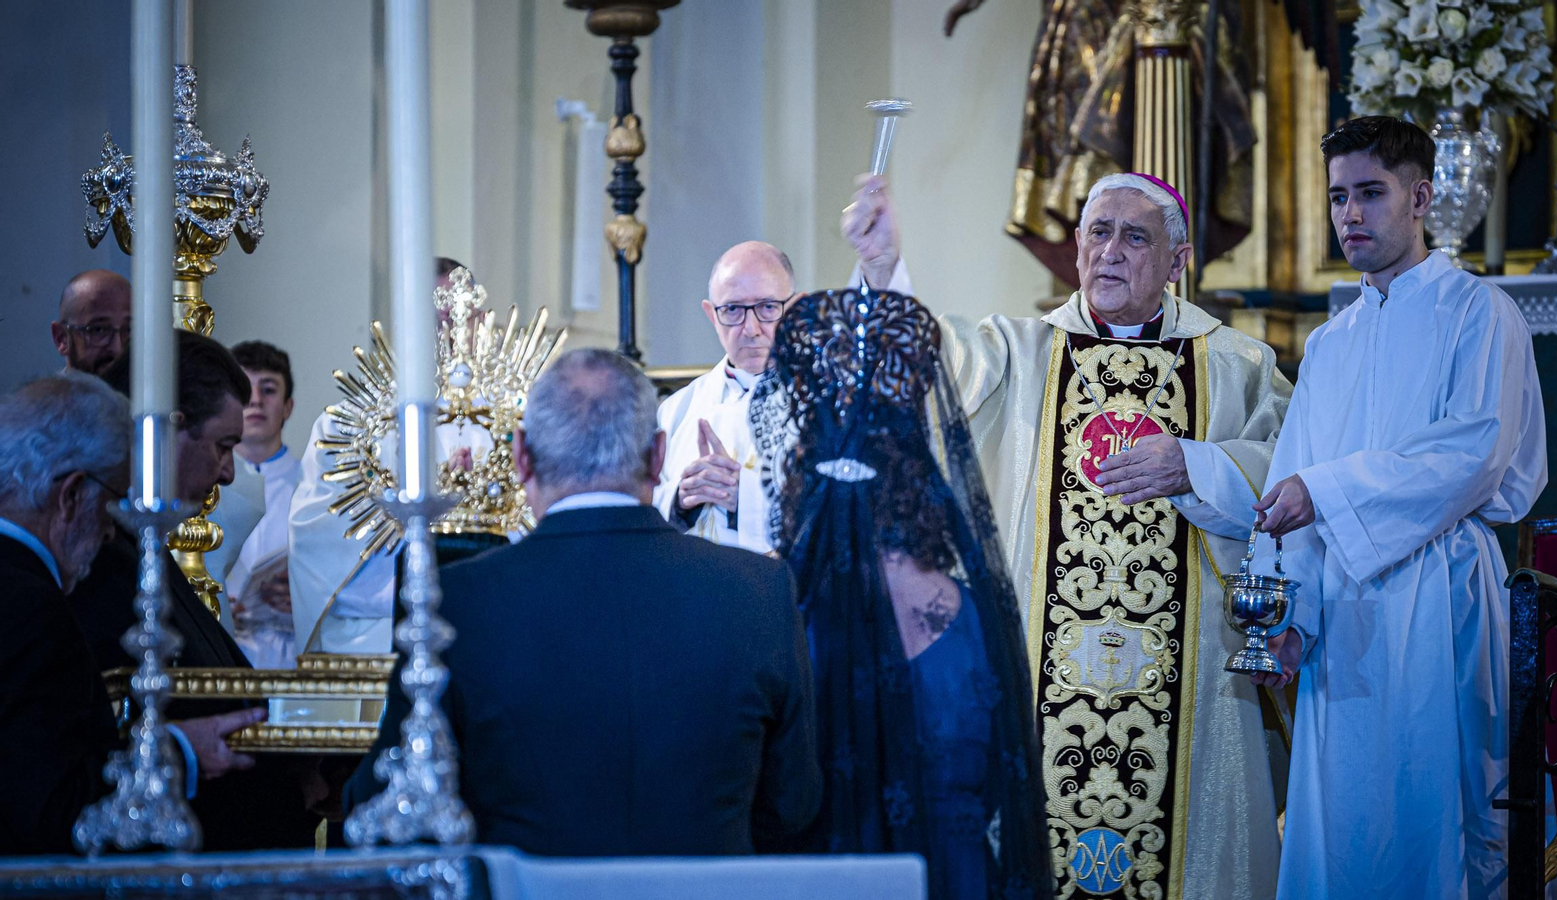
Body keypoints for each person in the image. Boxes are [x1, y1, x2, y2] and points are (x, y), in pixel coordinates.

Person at [843, 171, 1292, 898]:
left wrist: (1198, 464)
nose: (1109, 251)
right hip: (1041, 670)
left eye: (1134, 236)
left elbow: (1290, 477)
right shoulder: (1019, 353)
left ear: (1178, 262)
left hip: (1192, 680)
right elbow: (924, 370)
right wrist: (882, 266)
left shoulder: (1237, 366)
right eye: (1097, 232)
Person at [346, 349, 820, 855]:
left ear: (522, 456)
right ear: (659, 457)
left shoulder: (456, 603)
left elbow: (388, 802)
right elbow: (793, 805)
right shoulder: (759, 591)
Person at [1251, 116, 1547, 899]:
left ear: (1420, 197)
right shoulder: (1330, 343)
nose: (1350, 214)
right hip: (1342, 612)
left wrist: (1327, 491)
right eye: (1339, 196)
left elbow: (1473, 455)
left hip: (1441, 594)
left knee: (1435, 816)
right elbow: (1293, 481)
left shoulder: (1479, 314)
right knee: (1341, 825)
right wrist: (1290, 612)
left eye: (1371, 194)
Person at [751, 289, 1052, 899]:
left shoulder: (771, 609)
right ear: (918, 470)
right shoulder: (972, 614)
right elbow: (1005, 779)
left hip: (820, 881)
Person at [75, 330, 322, 850]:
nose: (229, 473)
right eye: (223, 447)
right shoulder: (101, 564)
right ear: (170, 430)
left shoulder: (142, 555)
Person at [0, 373, 263, 855]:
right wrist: (181, 750)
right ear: (71, 494)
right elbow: (57, 812)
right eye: (113, 501)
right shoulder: (31, 609)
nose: (109, 530)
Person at [287, 257, 483, 655]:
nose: (452, 332)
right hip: (372, 638)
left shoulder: (511, 424)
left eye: (464, 316)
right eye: (438, 316)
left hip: (485, 632)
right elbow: (318, 540)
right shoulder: (346, 426)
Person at [654, 241, 798, 553]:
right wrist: (680, 499)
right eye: (732, 309)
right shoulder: (676, 410)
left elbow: (849, 513)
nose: (751, 329)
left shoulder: (828, 407)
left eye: (768, 308)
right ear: (711, 314)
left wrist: (745, 498)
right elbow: (642, 506)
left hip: (789, 596)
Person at [211, 340, 301, 669]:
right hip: (222, 653)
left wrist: (307, 598)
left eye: (269, 389)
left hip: (290, 654)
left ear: (288, 406)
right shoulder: (202, 486)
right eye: (246, 390)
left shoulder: (315, 490)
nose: (256, 401)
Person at [51, 269, 131, 376]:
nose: (117, 348)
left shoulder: (153, 390)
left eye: (128, 330)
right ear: (61, 338)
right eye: (99, 330)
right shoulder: (47, 393)